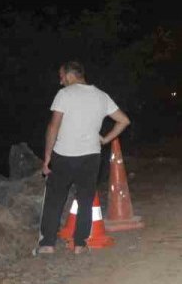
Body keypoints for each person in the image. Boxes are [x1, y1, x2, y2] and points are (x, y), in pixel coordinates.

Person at [36, 61, 130, 255]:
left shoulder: (64, 95)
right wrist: (105, 139)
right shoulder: (101, 96)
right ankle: (80, 244)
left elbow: (53, 126)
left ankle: (47, 244)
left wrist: (47, 158)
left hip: (64, 156)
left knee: (55, 199)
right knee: (86, 199)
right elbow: (124, 120)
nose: (61, 82)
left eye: (62, 77)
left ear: (71, 76)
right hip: (91, 156)